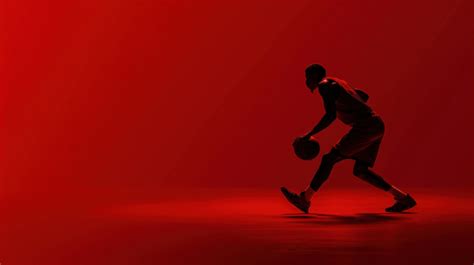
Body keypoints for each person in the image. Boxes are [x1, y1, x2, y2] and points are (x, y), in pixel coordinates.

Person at [281, 64, 416, 213]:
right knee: (360, 170)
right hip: (376, 124)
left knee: (328, 159)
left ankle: (304, 199)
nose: (306, 81)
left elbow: (330, 115)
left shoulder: (324, 86)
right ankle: (403, 198)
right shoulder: (337, 82)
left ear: (313, 76)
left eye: (307, 77)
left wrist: (309, 134)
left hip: (365, 126)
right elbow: (363, 95)